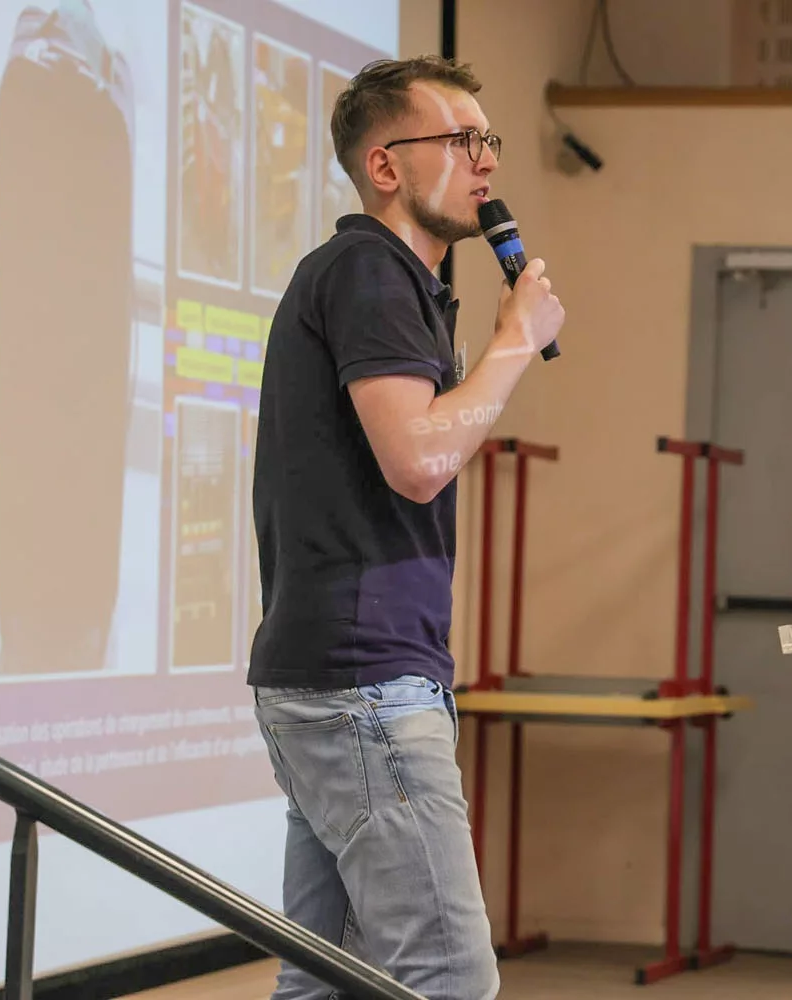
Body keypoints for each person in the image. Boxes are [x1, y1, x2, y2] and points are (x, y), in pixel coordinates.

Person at [246, 56, 565, 1000]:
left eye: (487, 141)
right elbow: (419, 460)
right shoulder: (369, 272)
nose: (484, 164)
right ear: (384, 166)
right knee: (447, 979)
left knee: (325, 984)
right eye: (459, 141)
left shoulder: (393, 282)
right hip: (361, 683)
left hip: (342, 679)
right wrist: (514, 342)